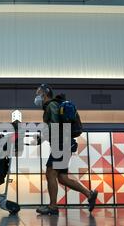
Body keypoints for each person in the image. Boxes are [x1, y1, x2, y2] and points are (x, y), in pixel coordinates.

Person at [33, 84, 98, 215]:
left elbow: (55, 126)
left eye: (38, 94)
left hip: (61, 144)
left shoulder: (51, 105)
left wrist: (43, 135)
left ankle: (52, 206)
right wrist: (44, 138)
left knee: (50, 173)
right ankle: (89, 194)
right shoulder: (53, 105)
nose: (36, 97)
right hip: (65, 143)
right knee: (62, 177)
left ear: (44, 94)